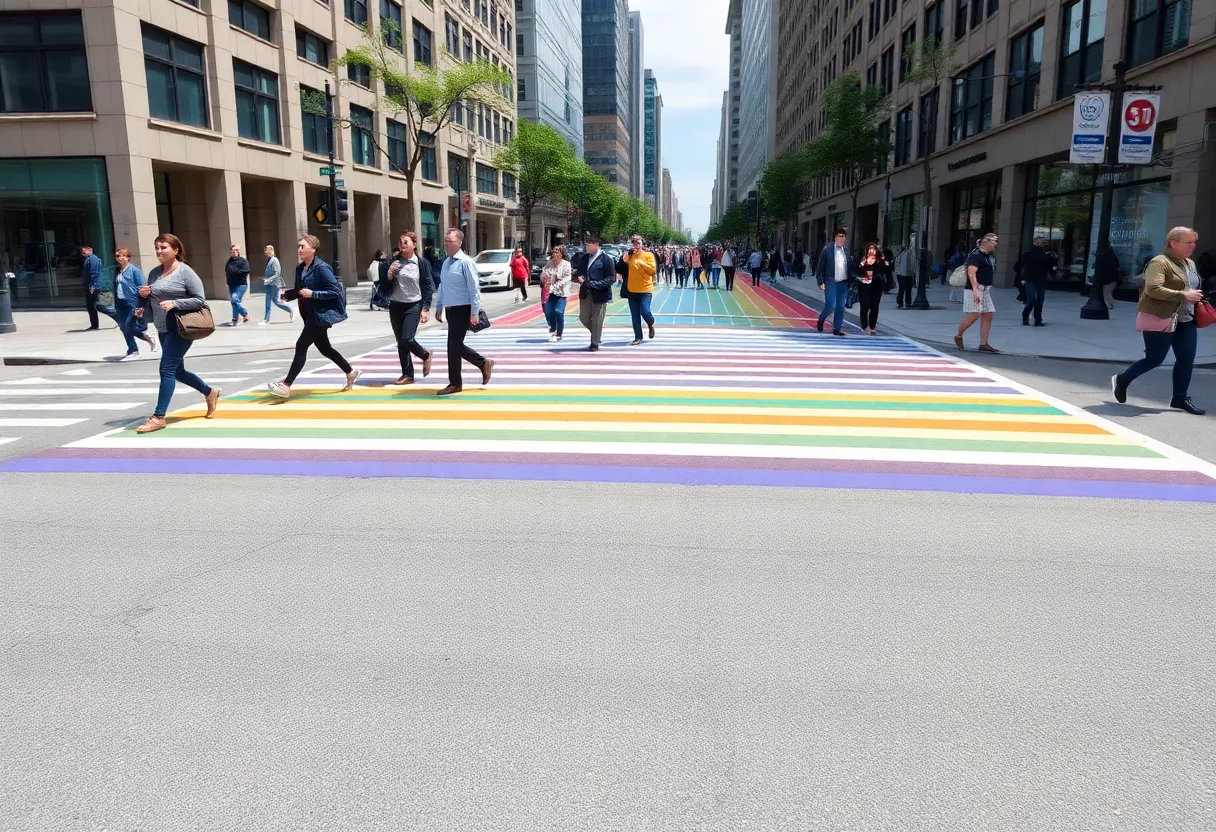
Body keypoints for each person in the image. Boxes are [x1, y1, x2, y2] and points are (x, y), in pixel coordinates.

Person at [1112, 227, 1207, 415]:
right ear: (1173, 242)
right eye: (1188, 242)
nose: (1192, 246)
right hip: (1161, 317)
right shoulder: (1159, 262)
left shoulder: (1189, 263)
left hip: (1186, 319)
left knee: (1186, 359)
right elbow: (1153, 289)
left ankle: (1180, 398)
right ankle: (1123, 379)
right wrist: (1183, 294)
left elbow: (1192, 285)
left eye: (1194, 242)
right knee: (1154, 359)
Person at [134, 234, 220, 433]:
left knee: (166, 369)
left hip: (181, 327)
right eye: (156, 247)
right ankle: (210, 392)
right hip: (162, 327)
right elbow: (153, 300)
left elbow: (200, 300)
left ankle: (159, 416)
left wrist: (175, 303)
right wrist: (143, 299)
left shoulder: (185, 272)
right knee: (178, 371)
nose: (159, 251)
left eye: (163, 247)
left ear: (176, 250)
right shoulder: (155, 273)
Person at [267, 235, 360, 400]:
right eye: (299, 246)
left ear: (313, 249)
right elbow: (300, 290)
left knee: (301, 345)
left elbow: (335, 292)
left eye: (303, 246)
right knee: (325, 348)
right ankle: (350, 372)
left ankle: (286, 385)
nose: (299, 250)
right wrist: (287, 296)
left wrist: (313, 294)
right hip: (309, 315)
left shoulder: (322, 268)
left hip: (321, 315)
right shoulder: (300, 268)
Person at [434, 229, 493, 395]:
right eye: (445, 241)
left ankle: (458, 381)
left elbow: (474, 288)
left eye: (450, 241)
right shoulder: (446, 262)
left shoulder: (466, 262)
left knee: (454, 346)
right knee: (453, 346)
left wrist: (474, 312)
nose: (446, 244)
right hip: (451, 308)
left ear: (459, 242)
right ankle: (481, 364)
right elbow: (443, 285)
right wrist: (439, 305)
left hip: (464, 308)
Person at [381, 231, 436, 385]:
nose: (402, 244)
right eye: (400, 242)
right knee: (401, 341)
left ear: (414, 244)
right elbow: (383, 286)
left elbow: (428, 286)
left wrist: (425, 308)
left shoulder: (422, 263)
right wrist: (389, 273)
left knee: (407, 338)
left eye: (406, 242)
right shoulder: (392, 262)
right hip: (396, 305)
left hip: (414, 304)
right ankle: (407, 374)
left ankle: (425, 355)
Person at [954, 232, 1000, 353]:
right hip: (975, 289)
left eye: (996, 241)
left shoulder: (989, 255)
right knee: (974, 315)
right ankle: (959, 335)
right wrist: (975, 291)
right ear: (985, 242)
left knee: (988, 314)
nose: (995, 244)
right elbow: (971, 273)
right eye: (994, 241)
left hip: (985, 290)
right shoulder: (975, 255)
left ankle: (983, 343)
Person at [113, 248, 156, 360]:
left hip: (131, 303)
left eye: (121, 255)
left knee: (127, 326)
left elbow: (142, 288)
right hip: (120, 302)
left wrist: (139, 305)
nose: (119, 258)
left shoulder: (134, 271)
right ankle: (146, 338)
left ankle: (134, 350)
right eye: (117, 256)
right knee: (123, 327)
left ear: (127, 257)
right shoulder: (119, 271)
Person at [814, 228, 856, 336]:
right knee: (830, 305)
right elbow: (819, 268)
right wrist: (820, 282)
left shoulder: (845, 251)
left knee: (840, 306)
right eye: (839, 236)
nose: (841, 239)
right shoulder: (827, 250)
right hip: (830, 282)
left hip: (843, 283)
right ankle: (821, 319)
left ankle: (837, 329)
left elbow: (850, 267)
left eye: (843, 237)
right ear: (835, 238)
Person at [576, 236, 615, 352]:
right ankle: (597, 333)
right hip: (585, 293)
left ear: (596, 245)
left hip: (600, 294)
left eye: (589, 244)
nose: (586, 246)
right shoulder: (584, 258)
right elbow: (579, 272)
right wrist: (579, 276)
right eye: (586, 244)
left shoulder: (606, 259)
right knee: (583, 317)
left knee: (598, 319)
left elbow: (611, 278)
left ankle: (594, 342)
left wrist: (595, 284)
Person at [1014, 235, 1057, 327]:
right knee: (1032, 299)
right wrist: (1022, 278)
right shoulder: (1029, 253)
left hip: (1041, 278)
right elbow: (1020, 266)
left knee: (1040, 299)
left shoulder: (1046, 253)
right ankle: (1025, 315)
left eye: (1046, 242)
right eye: (1043, 242)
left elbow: (1051, 265)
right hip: (1030, 278)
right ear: (1037, 242)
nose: (1045, 244)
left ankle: (1038, 320)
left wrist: (1053, 270)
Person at [624, 234, 658, 345]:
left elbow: (653, 271)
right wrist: (624, 259)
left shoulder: (648, 255)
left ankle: (651, 323)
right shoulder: (630, 255)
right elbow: (621, 267)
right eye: (634, 243)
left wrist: (643, 264)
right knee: (635, 315)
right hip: (632, 289)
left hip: (645, 289)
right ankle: (638, 337)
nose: (636, 245)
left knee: (645, 311)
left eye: (638, 243)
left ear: (642, 243)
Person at [80, 244, 116, 330]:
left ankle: (113, 316)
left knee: (95, 306)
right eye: (82, 252)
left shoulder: (93, 259)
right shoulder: (89, 259)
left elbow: (94, 273)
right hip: (90, 285)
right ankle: (94, 324)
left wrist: (92, 285)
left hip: (93, 286)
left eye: (84, 251)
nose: (83, 254)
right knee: (91, 306)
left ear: (90, 250)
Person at [540, 246, 573, 342]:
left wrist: (554, 286)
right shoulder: (549, 263)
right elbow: (543, 274)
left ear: (562, 254)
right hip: (548, 292)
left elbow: (567, 278)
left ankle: (559, 333)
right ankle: (553, 329)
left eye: (558, 252)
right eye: (554, 252)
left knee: (558, 311)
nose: (555, 254)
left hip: (561, 292)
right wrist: (544, 278)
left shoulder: (566, 264)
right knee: (548, 311)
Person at [856, 244, 889, 335]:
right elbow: (857, 272)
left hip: (876, 285)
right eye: (870, 249)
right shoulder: (863, 261)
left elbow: (886, 270)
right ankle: (864, 325)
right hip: (864, 286)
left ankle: (872, 325)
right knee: (865, 306)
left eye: (874, 249)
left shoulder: (880, 261)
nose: (872, 251)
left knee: (875, 306)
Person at [261, 245, 293, 325]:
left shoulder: (274, 260)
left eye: (267, 249)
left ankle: (266, 319)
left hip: (274, 284)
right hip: (269, 284)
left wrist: (269, 279)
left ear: (271, 250)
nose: (265, 251)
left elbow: (277, 273)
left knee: (269, 301)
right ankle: (291, 310)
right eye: (265, 249)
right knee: (276, 301)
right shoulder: (269, 259)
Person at [224, 245, 250, 326]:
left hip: (241, 284)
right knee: (233, 302)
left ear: (238, 252)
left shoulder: (243, 261)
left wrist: (234, 271)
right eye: (232, 251)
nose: (234, 252)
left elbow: (246, 270)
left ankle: (244, 314)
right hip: (231, 285)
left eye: (236, 251)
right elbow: (227, 270)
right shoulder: (229, 261)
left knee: (235, 299)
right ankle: (235, 319)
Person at [1094, 242, 1122, 310]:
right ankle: (1109, 304)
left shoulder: (1108, 253)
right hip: (1111, 278)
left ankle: (1110, 304)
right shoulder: (1110, 253)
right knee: (1107, 291)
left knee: (1106, 291)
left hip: (1110, 278)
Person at [894, 244, 917, 309]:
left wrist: (897, 271)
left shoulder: (900, 255)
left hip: (900, 274)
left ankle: (900, 302)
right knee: (908, 289)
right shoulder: (910, 254)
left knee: (901, 289)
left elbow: (897, 264)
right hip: (907, 274)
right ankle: (907, 302)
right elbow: (913, 264)